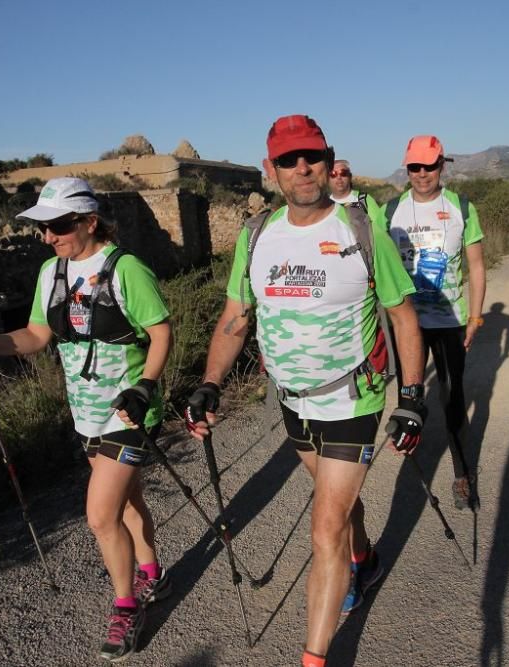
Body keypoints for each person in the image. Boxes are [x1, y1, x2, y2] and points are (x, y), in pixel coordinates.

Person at [184, 115, 425, 667]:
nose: (302, 169)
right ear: (271, 170)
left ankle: (314, 657)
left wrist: (411, 398)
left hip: (352, 398)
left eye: (311, 157)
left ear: (328, 159)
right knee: (338, 509)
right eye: (288, 161)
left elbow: (403, 317)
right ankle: (364, 556)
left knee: (323, 530)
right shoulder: (256, 235)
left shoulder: (361, 230)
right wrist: (209, 384)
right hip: (291, 399)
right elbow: (235, 318)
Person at [0, 177, 173, 662]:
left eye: (59, 226)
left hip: (129, 412)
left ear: (90, 221)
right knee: (127, 498)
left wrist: (145, 386)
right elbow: (34, 335)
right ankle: (152, 572)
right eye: (43, 228)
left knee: (100, 516)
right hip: (86, 412)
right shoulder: (52, 271)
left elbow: (160, 333)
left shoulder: (126, 268)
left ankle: (126, 607)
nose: (49, 237)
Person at [383, 135, 487, 509]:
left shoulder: (460, 206)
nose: (422, 173)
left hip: (449, 320)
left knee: (451, 397)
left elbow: (476, 265)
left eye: (429, 165)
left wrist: (475, 315)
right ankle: (411, 466)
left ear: (442, 165)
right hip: (407, 321)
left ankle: (462, 473)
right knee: (409, 396)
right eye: (415, 166)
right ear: (407, 168)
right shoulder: (391, 210)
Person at [328, 158, 383, 224]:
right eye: (333, 174)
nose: (339, 177)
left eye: (343, 173)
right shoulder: (323, 205)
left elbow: (380, 227)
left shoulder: (364, 199)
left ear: (350, 176)